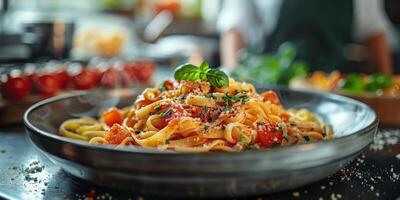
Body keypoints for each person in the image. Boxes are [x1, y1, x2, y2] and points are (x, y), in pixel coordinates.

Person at [218, 0, 393, 74]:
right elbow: (234, 28)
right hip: (273, 84)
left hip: (336, 88)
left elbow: (374, 33)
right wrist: (232, 77)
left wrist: (387, 86)